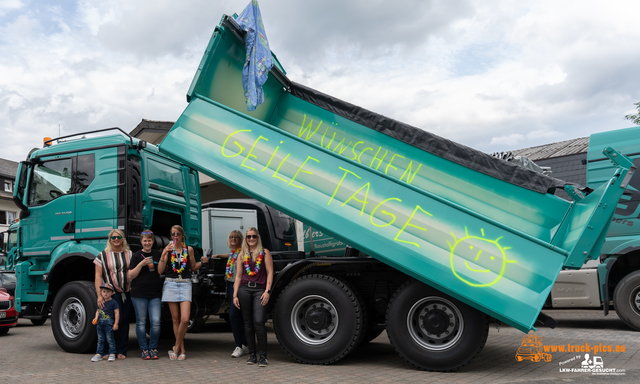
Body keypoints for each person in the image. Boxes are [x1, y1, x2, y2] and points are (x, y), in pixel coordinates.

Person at [158, 225, 208, 361]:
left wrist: (202, 263)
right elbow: (160, 270)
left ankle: (175, 347)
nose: (175, 236)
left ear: (182, 235)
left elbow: (192, 267)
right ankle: (182, 349)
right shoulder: (168, 250)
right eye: (173, 234)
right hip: (171, 284)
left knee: (185, 319)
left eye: (178, 234)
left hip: (185, 283)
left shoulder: (188, 249)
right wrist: (163, 253)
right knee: (175, 319)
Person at [233, 227, 273, 367]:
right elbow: (238, 276)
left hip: (259, 291)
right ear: (246, 239)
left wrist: (267, 291)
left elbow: (269, 272)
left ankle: (263, 356)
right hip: (244, 290)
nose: (251, 239)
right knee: (248, 323)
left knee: (259, 322)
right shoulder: (242, 254)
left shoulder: (264, 252)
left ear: (258, 238)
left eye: (254, 236)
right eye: (248, 236)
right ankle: (251, 355)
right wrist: (234, 295)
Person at [94, 229, 133, 359]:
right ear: (110, 239)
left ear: (123, 238)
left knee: (124, 321)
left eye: (119, 237)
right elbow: (98, 276)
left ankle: (121, 351)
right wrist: (100, 295)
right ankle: (108, 351)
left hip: (126, 293)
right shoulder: (103, 255)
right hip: (111, 295)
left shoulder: (129, 254)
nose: (116, 239)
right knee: (110, 322)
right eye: (113, 237)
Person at [211, 230, 248, 358]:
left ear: (240, 239)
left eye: (235, 237)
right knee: (237, 316)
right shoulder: (233, 253)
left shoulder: (242, 252)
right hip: (230, 285)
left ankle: (239, 345)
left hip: (238, 286)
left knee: (234, 315)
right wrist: (217, 256)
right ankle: (244, 343)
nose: (233, 239)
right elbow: (229, 256)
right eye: (231, 237)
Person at [128, 230, 163, 360]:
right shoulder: (136, 256)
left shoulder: (157, 254)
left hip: (154, 293)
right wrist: (141, 264)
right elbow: (130, 275)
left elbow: (162, 269)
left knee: (155, 322)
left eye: (149, 240)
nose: (147, 243)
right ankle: (144, 349)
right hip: (139, 294)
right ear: (141, 242)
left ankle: (153, 348)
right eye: (145, 240)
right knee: (141, 322)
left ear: (153, 241)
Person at [90, 283, 119, 362]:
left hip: (109, 324)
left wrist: (116, 323)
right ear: (101, 292)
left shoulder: (113, 302)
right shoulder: (101, 302)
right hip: (99, 324)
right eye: (104, 291)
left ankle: (112, 353)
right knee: (100, 339)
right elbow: (98, 311)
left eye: (108, 292)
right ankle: (99, 354)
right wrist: (95, 318)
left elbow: (117, 313)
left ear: (112, 293)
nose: (105, 293)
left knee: (110, 339)